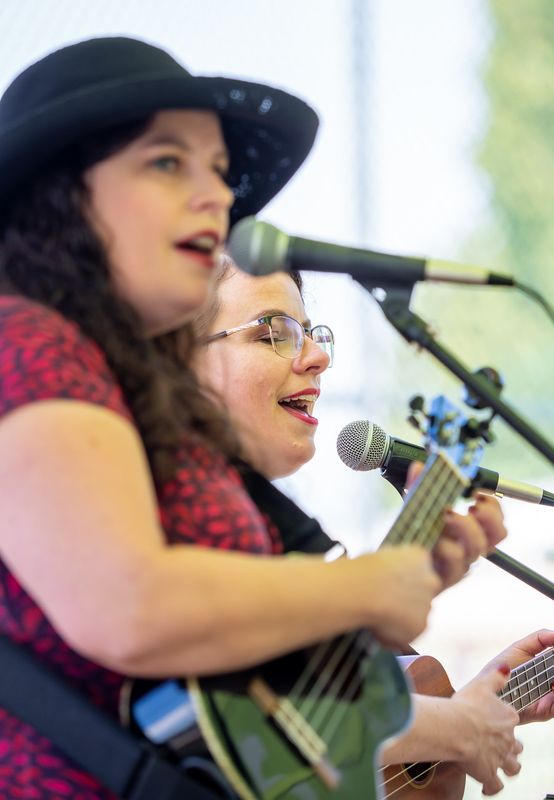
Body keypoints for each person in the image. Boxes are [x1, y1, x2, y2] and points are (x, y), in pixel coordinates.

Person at [0, 36, 510, 799]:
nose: (216, 192)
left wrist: (413, 582)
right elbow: (131, 609)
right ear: (65, 194)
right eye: (168, 162)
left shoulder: (132, 402)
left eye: (216, 168)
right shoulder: (29, 343)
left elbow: (250, 707)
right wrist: (368, 589)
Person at [194, 258, 554, 796]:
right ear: (178, 360)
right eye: (274, 333)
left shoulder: (281, 537)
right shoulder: (167, 523)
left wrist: (483, 704)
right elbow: (257, 728)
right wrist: (458, 725)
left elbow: (322, 726)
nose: (318, 357)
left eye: (313, 334)